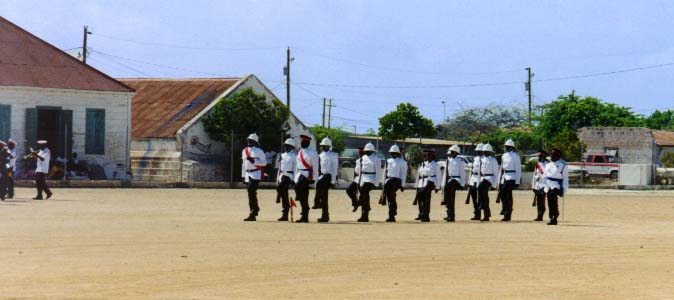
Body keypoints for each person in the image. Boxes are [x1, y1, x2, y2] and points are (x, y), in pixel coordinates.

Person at [241, 133, 267, 221]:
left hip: (256, 173)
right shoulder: (244, 151)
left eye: (250, 140)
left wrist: (254, 161)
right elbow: (243, 164)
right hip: (247, 174)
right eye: (248, 140)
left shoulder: (259, 151)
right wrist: (243, 175)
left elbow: (264, 163)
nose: (249, 141)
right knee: (250, 193)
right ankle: (253, 212)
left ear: (255, 142)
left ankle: (254, 210)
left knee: (251, 190)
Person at [293, 134, 319, 223]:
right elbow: (297, 165)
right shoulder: (300, 152)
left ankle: (298, 197)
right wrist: (295, 177)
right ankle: (304, 216)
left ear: (308, 143)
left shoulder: (313, 152)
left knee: (297, 187)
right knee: (304, 196)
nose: (302, 143)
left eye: (304, 142)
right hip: (299, 173)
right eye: (302, 142)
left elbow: (315, 166)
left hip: (307, 174)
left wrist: (315, 178)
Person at [313, 137, 338, 222]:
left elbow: (335, 168)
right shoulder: (320, 155)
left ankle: (317, 203)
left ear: (328, 146)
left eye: (324, 146)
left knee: (319, 186)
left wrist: (333, 181)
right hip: (321, 176)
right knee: (324, 197)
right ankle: (325, 216)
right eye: (322, 146)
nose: (323, 147)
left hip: (328, 176)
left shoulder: (333, 155)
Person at [356, 142, 382, 222]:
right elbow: (360, 170)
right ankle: (364, 215)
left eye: (368, 150)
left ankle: (360, 203)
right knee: (365, 197)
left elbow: (378, 172)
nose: (367, 152)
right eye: (366, 150)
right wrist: (358, 180)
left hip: (371, 179)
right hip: (363, 178)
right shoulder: (363, 158)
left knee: (363, 192)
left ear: (372, 151)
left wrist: (376, 184)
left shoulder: (377, 159)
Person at [382, 144, 407, 222]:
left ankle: (392, 214)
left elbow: (403, 174)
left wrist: (403, 185)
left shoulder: (402, 162)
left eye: (394, 152)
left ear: (397, 153)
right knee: (391, 197)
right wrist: (383, 182)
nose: (392, 154)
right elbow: (385, 172)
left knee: (391, 196)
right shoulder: (388, 161)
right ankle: (392, 214)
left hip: (396, 181)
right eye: (391, 152)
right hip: (388, 181)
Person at [543, 148, 568, 225]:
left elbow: (565, 178)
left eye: (553, 155)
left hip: (556, 185)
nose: (551, 156)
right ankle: (551, 216)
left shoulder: (562, 165)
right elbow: (545, 176)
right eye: (551, 155)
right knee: (550, 202)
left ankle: (555, 216)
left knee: (553, 201)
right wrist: (544, 186)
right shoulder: (548, 165)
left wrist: (564, 189)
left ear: (557, 156)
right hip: (548, 185)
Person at [498, 139, 522, 222]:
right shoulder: (504, 155)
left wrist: (517, 181)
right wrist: (499, 179)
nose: (506, 148)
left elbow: (518, 169)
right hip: (504, 176)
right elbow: (501, 168)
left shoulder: (516, 156)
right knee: (502, 195)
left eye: (508, 146)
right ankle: (505, 209)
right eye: (506, 146)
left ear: (512, 147)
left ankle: (508, 213)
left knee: (507, 195)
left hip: (512, 177)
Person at [441, 145, 466, 222]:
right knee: (450, 198)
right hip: (449, 180)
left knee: (450, 197)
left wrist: (462, 184)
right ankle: (449, 214)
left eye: (451, 152)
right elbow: (446, 172)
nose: (450, 154)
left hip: (456, 179)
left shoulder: (460, 161)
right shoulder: (448, 160)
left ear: (456, 152)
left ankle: (451, 216)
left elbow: (462, 173)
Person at [415, 149, 440, 222]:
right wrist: (416, 184)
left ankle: (425, 214)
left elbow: (438, 176)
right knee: (422, 197)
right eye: (426, 155)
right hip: (422, 182)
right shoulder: (423, 164)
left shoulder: (435, 165)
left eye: (428, 155)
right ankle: (422, 214)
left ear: (432, 156)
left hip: (431, 181)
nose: (426, 156)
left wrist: (437, 186)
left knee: (422, 195)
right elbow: (419, 175)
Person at [275, 138, 297, 221]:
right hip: (282, 175)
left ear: (292, 147)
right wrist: (277, 179)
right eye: (285, 146)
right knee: (284, 195)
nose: (286, 147)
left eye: (288, 146)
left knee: (281, 188)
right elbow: (279, 168)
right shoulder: (282, 155)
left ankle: (279, 198)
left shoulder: (294, 156)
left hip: (289, 176)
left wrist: (294, 180)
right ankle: (285, 214)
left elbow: (295, 169)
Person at [478, 143, 499, 222]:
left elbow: (496, 173)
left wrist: (494, 184)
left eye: (487, 151)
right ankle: (486, 214)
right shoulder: (482, 160)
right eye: (484, 151)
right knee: (484, 195)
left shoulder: (493, 160)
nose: (485, 152)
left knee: (481, 189)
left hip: (489, 178)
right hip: (483, 178)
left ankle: (482, 206)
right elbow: (480, 171)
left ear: (490, 152)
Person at [466, 143, 484, 220]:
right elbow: (472, 169)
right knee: (473, 196)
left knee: (479, 197)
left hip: (480, 178)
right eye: (477, 151)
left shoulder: (484, 159)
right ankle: (476, 213)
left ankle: (479, 213)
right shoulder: (475, 159)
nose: (477, 152)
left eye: (479, 151)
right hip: (473, 178)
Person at [531, 149, 550, 221]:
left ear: (544, 156)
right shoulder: (537, 164)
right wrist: (533, 185)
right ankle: (539, 215)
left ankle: (542, 214)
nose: (539, 157)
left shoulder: (548, 164)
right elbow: (534, 174)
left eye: (541, 156)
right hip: (538, 185)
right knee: (539, 201)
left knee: (543, 200)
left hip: (545, 184)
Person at [346, 147, 364, 212]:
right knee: (349, 190)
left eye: (362, 152)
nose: (360, 153)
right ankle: (355, 203)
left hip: (364, 179)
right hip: (357, 179)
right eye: (359, 152)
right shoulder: (357, 161)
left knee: (362, 194)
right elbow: (355, 171)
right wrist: (354, 179)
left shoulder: (367, 160)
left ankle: (363, 209)